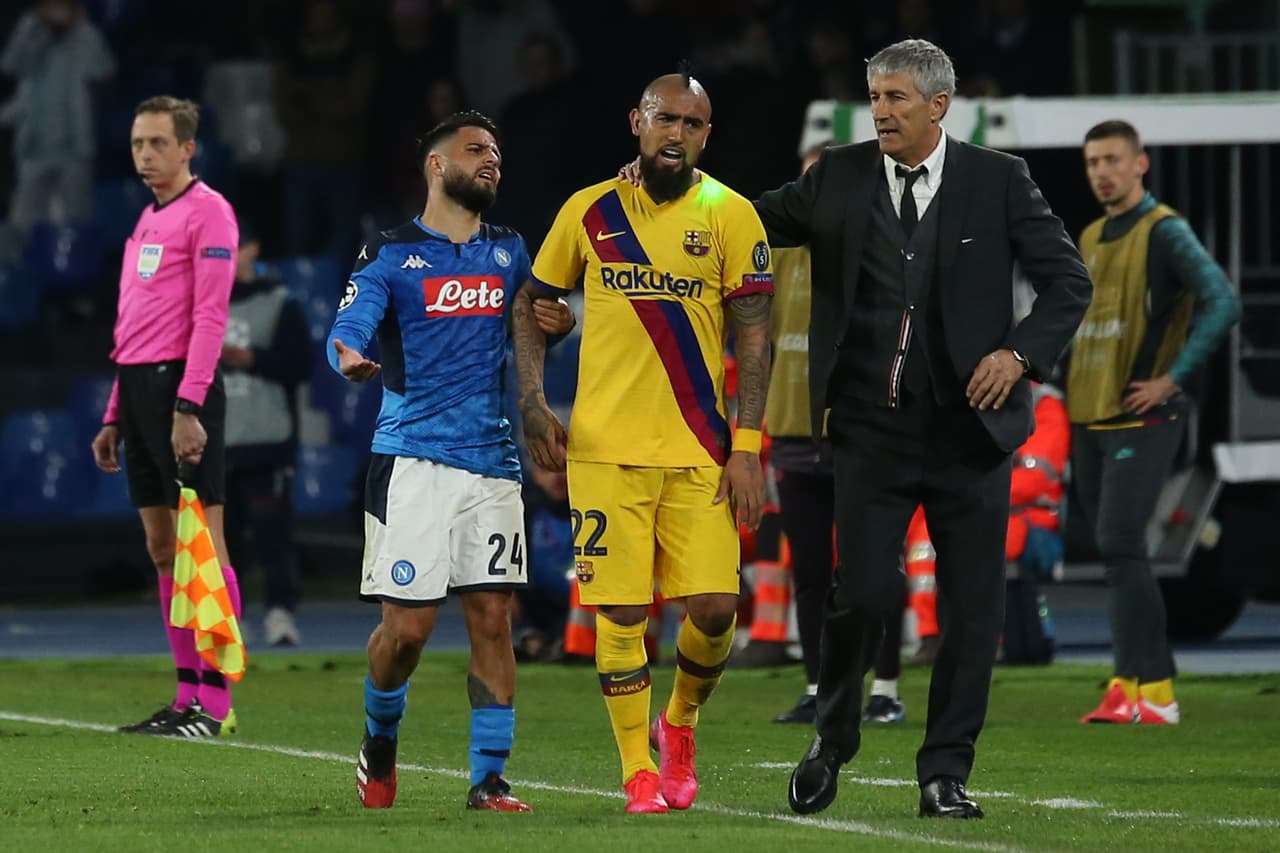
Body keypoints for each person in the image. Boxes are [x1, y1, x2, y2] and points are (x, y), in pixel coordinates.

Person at [755, 40, 1092, 819]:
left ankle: (945, 771)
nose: (880, 110)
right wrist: (669, 186)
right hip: (872, 428)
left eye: (897, 97)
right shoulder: (836, 176)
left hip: (970, 435)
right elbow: (746, 220)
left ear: (939, 106)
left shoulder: (998, 180)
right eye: (875, 95)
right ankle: (832, 736)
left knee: (974, 610)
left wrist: (1019, 352)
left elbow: (1068, 282)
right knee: (862, 593)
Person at [512, 72, 773, 815]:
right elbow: (533, 305)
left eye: (693, 123)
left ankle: (679, 722)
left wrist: (747, 444)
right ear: (637, 121)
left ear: (706, 135)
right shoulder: (589, 210)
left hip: (700, 449)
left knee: (718, 606)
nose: (677, 133)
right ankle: (638, 772)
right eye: (666, 119)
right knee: (622, 614)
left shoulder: (731, 214)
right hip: (604, 450)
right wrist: (532, 400)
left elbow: (755, 337)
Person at [326, 110, 574, 811]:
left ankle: (489, 777)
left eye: (497, 150)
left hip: (492, 462)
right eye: (475, 149)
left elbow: (536, 318)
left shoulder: (509, 251)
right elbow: (349, 321)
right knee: (406, 632)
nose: (492, 159)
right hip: (411, 460)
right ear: (436, 166)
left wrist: (560, 324)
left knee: (494, 616)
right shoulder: (392, 253)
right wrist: (345, 353)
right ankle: (380, 738)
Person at [1071, 119, 1241, 726]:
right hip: (1090, 413)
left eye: (1113, 159)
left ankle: (1154, 689)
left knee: (1121, 544)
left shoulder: (1164, 231)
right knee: (1115, 551)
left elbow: (1223, 300)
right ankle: (1134, 685)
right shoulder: (1090, 235)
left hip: (1144, 414)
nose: (1102, 172)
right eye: (1093, 162)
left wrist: (1174, 378)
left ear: (1140, 164)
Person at [89, 96, 242, 737]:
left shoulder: (210, 214)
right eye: (136, 144)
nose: (145, 154)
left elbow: (210, 316)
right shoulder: (146, 222)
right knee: (161, 548)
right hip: (139, 387)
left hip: (182, 387)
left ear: (187, 148)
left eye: (157, 143)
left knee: (200, 544)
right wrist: (114, 412)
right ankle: (184, 698)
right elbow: (133, 324)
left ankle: (217, 705)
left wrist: (189, 405)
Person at [221, 222, 311, 647]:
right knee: (224, 540)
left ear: (252, 248)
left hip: (266, 438)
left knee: (273, 535)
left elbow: (301, 364)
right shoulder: (200, 303)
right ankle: (227, 619)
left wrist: (251, 358)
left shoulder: (280, 302)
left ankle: (280, 613)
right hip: (216, 439)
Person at [0, 0, 114, 244]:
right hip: (34, 148)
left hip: (74, 149)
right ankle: (23, 277)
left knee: (75, 221)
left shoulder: (84, 37)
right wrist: (32, 23)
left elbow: (103, 71)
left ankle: (77, 279)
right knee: (22, 226)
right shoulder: (32, 35)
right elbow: (10, 64)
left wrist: (85, 28)